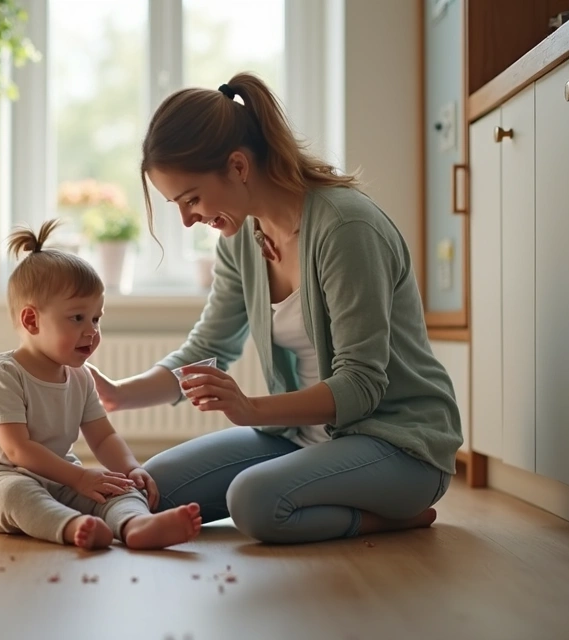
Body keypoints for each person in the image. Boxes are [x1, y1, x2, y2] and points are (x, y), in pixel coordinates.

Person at [88, 72, 463, 544]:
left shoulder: (345, 228)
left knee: (253, 501)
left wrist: (250, 408)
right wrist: (118, 394)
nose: (186, 220)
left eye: (192, 199)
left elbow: (362, 384)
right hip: (300, 439)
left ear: (238, 167)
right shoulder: (240, 238)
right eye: (176, 205)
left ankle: (392, 518)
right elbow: (209, 347)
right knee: (150, 486)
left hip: (398, 444)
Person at [0, 219, 203, 550]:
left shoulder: (81, 377)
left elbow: (103, 436)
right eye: (77, 318)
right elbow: (17, 450)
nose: (92, 331)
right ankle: (72, 526)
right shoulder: (4, 376)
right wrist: (79, 478)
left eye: (96, 318)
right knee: (16, 492)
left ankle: (135, 524)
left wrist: (130, 469)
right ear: (32, 320)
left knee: (118, 486)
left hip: (57, 476)